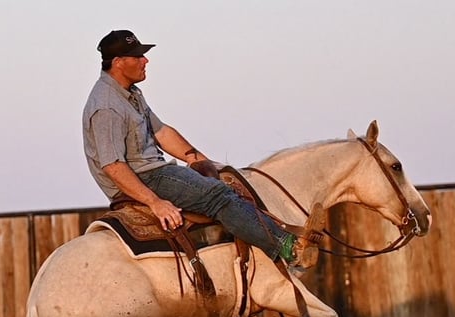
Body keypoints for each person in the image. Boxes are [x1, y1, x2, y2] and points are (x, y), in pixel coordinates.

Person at [82, 29, 324, 269]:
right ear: (118, 63)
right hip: (145, 178)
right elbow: (113, 166)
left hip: (153, 173)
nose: (146, 60)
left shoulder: (131, 93)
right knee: (218, 195)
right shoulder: (106, 107)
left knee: (226, 180)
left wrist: (197, 158)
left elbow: (161, 132)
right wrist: (156, 203)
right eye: (137, 56)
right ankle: (289, 248)